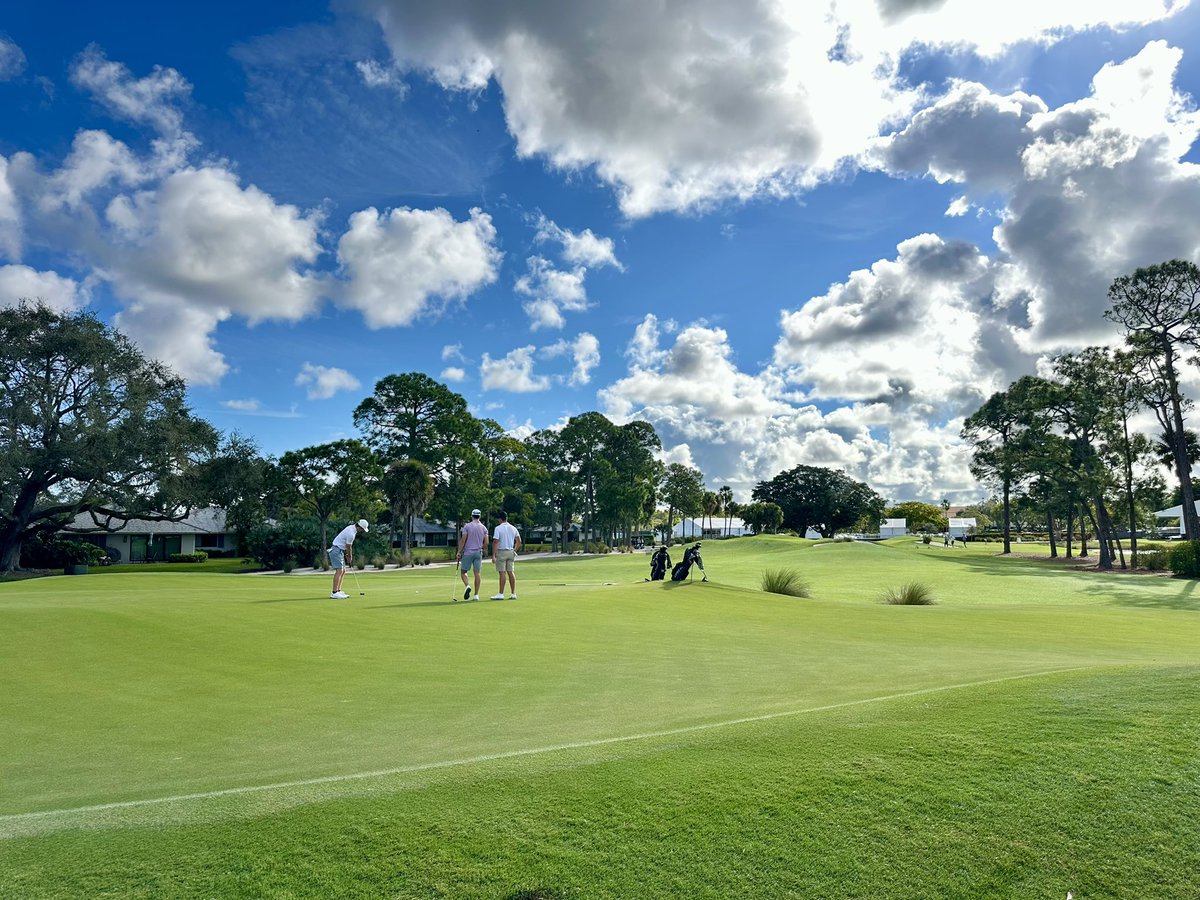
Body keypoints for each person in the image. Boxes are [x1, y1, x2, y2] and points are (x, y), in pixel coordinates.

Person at [329, 518, 369, 599]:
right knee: (339, 570)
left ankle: (338, 590)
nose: (362, 531)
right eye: (362, 530)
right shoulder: (351, 533)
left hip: (339, 550)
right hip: (336, 550)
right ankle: (334, 592)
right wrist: (349, 557)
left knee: (343, 571)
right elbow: (348, 547)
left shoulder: (351, 528)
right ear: (360, 527)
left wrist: (347, 556)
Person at [456, 509, 489, 602]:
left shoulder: (467, 526)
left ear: (472, 516)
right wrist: (482, 548)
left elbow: (463, 540)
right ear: (480, 516)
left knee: (463, 572)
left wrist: (459, 552)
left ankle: (467, 586)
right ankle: (476, 595)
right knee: (477, 573)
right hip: (478, 553)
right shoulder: (483, 528)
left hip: (468, 552)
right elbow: (486, 542)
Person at [490, 511, 523, 600]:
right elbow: (519, 541)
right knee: (510, 572)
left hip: (501, 552)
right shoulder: (513, 528)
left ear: (500, 519)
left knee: (502, 573)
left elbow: (495, 542)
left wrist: (493, 555)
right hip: (511, 551)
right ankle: (513, 593)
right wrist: (515, 550)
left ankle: (501, 593)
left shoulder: (498, 528)